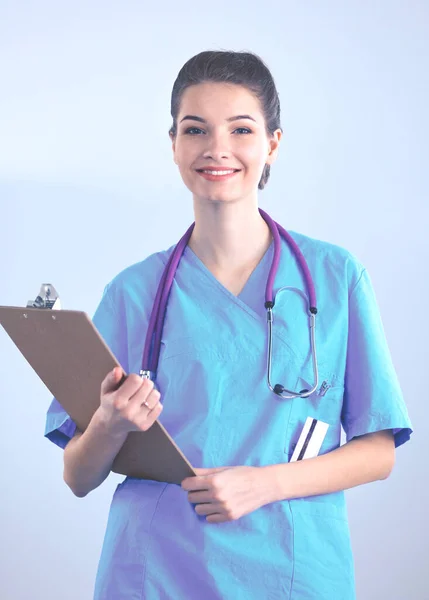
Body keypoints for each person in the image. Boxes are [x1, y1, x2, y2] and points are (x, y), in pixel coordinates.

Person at [45, 50, 413, 600]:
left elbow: (379, 450)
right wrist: (109, 424)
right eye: (196, 129)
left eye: (240, 129)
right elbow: (78, 477)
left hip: (291, 568)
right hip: (154, 569)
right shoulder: (133, 291)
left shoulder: (335, 278)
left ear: (273, 144)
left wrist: (265, 484)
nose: (217, 148)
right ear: (174, 144)